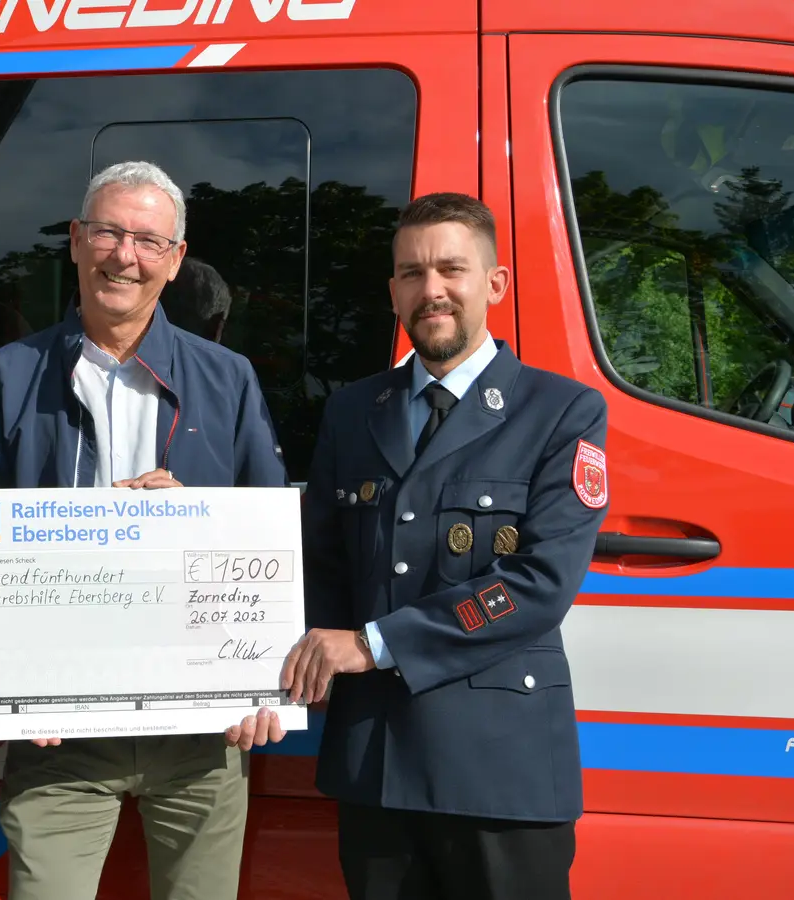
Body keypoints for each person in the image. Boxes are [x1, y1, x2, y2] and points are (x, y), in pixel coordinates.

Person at [0, 160, 289, 900]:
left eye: (147, 240)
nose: (124, 256)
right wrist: (4, 687)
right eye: (107, 232)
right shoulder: (8, 374)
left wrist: (263, 680)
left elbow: (266, 538)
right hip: (58, 732)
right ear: (75, 242)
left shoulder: (227, 378)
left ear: (174, 261)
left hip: (201, 732)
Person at [284, 192, 609, 900]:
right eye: (411, 273)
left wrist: (370, 645)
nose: (431, 290)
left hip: (498, 766)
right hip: (377, 759)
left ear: (494, 283)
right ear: (393, 290)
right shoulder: (351, 412)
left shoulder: (561, 411)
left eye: (451, 270)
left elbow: (539, 584)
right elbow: (320, 565)